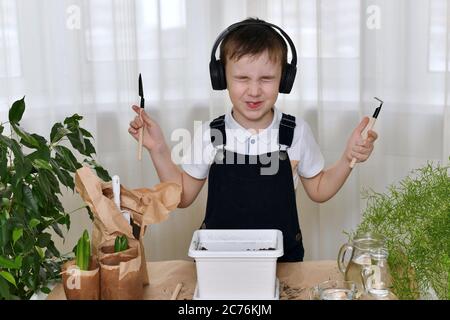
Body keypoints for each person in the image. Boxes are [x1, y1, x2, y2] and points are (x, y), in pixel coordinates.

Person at [128, 18, 378, 262]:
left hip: (282, 262)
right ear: (221, 77)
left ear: (285, 79)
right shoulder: (210, 134)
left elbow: (320, 190)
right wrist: (158, 148)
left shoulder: (296, 132)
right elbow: (181, 199)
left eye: (267, 79)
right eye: (242, 79)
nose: (255, 90)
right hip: (218, 261)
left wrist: (348, 157)